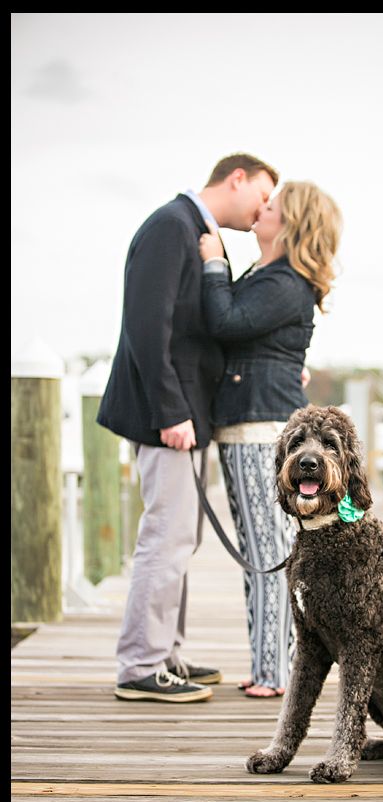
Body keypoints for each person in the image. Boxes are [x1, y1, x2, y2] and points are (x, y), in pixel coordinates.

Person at [97, 154, 279, 702]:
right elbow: (148, 327)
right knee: (167, 536)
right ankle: (140, 665)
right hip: (168, 416)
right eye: (263, 196)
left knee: (183, 536)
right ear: (237, 178)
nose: (265, 210)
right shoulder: (170, 227)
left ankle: (166, 653)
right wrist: (171, 411)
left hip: (186, 415)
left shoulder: (195, 231)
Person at [199, 180, 342, 697]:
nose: (262, 209)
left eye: (272, 206)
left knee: (266, 553)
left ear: (292, 224)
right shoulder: (272, 274)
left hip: (260, 429)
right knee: (263, 549)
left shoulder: (284, 281)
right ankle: (270, 664)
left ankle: (273, 672)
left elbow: (227, 320)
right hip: (251, 423)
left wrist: (214, 262)